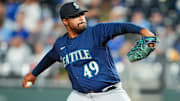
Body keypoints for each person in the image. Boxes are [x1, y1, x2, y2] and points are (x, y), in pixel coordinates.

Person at [22, 2, 156, 101]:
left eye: (81, 14)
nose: (81, 18)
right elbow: (50, 57)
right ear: (65, 22)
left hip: (110, 94)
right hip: (80, 96)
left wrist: (142, 31)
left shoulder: (96, 32)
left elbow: (121, 26)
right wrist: (34, 74)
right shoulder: (61, 44)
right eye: (75, 16)